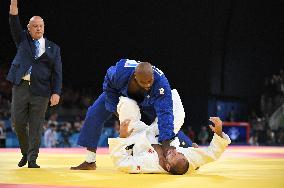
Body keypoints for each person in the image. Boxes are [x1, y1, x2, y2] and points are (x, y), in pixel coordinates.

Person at [71, 60, 188, 170]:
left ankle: (187, 146)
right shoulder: (120, 72)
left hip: (148, 100)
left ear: (153, 76)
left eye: (150, 81)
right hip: (119, 93)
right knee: (94, 113)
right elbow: (109, 85)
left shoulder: (161, 83)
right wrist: (115, 110)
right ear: (135, 77)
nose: (147, 85)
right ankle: (90, 161)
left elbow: (165, 114)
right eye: (143, 82)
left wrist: (166, 146)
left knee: (158, 127)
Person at [7, 0, 62, 168]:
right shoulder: (22, 39)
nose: (38, 28)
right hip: (21, 87)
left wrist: (56, 92)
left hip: (42, 90)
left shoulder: (54, 48)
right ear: (29, 28)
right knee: (18, 123)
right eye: (35, 26)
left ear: (44, 28)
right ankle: (25, 151)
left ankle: (32, 159)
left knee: (36, 125)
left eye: (41, 26)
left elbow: (57, 73)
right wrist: (14, 5)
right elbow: (14, 21)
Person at [109, 117, 231, 174]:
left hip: (140, 136)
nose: (175, 152)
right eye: (179, 153)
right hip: (164, 132)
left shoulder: (147, 164)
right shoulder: (188, 159)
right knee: (175, 104)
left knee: (126, 108)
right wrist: (219, 132)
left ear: (167, 166)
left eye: (173, 156)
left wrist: (122, 137)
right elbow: (212, 154)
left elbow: (121, 162)